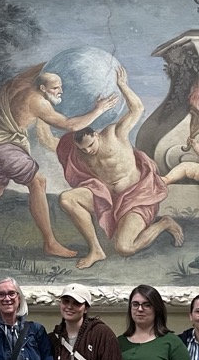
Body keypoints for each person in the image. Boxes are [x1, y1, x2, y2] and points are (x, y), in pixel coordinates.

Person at [0, 65, 120, 258]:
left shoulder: (16, 85)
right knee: (38, 182)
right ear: (42, 88)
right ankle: (50, 243)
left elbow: (36, 72)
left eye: (60, 87)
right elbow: (70, 125)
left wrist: (52, 64)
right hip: (2, 145)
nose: (61, 91)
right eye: (55, 88)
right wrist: (99, 109)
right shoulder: (37, 101)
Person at [55, 66, 184, 269]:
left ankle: (164, 223)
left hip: (136, 197)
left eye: (90, 145)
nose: (88, 151)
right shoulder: (76, 149)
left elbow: (137, 109)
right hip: (108, 197)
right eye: (83, 148)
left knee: (125, 248)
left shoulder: (115, 134)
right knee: (67, 198)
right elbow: (55, 135)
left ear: (96, 134)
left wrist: (122, 85)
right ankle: (96, 250)